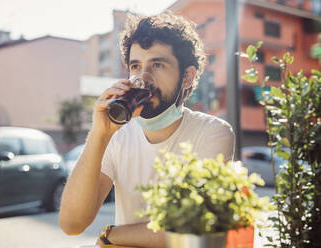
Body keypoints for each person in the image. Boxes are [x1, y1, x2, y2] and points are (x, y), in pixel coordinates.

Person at [59, 11, 235, 248]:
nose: (144, 77)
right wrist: (99, 134)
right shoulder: (117, 135)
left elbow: (195, 227)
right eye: (136, 66)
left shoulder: (212, 132)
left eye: (158, 65)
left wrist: (111, 235)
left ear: (187, 77)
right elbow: (72, 223)